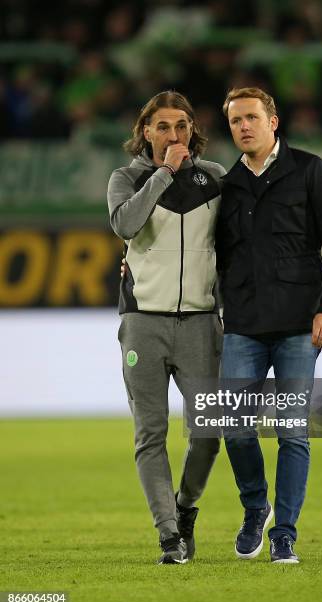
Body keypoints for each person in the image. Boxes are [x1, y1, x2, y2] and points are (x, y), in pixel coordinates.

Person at [216, 87, 322, 563]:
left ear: (273, 121)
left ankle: (285, 533)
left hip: (299, 326)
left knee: (292, 430)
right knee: (233, 427)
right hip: (243, 325)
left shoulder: (310, 170)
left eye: (252, 117)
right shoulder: (228, 184)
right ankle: (257, 507)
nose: (244, 127)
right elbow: (208, 254)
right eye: (235, 121)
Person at [107, 91, 225, 564]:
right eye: (162, 126)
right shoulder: (127, 177)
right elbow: (126, 226)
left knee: (208, 435)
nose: (172, 134)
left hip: (200, 322)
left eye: (180, 126)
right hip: (142, 324)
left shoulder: (216, 178)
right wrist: (164, 173)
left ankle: (185, 507)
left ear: (191, 130)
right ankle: (169, 537)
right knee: (150, 434)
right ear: (146, 132)